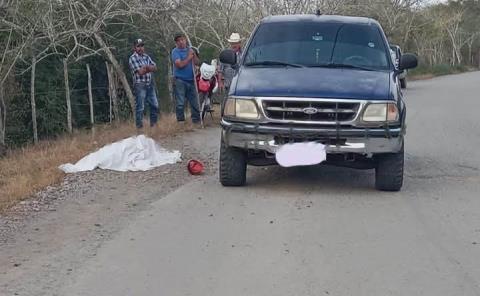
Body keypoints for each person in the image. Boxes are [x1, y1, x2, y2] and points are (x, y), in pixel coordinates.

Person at [128, 38, 158, 129]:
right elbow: (140, 72)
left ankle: (154, 126)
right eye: (138, 46)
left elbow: (155, 68)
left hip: (149, 83)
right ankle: (139, 128)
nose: (140, 48)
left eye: (142, 46)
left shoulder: (146, 56)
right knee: (140, 107)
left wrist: (146, 67)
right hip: (140, 85)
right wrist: (149, 68)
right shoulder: (132, 58)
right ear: (134, 48)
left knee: (155, 105)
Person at [171, 33, 201, 123]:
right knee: (180, 103)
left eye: (182, 39)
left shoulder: (190, 50)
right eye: (178, 41)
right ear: (176, 43)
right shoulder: (175, 52)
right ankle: (181, 121)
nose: (181, 42)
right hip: (180, 80)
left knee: (195, 102)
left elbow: (197, 63)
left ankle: (196, 120)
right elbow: (179, 65)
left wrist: (194, 55)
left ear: (185, 40)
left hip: (191, 80)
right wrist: (189, 57)